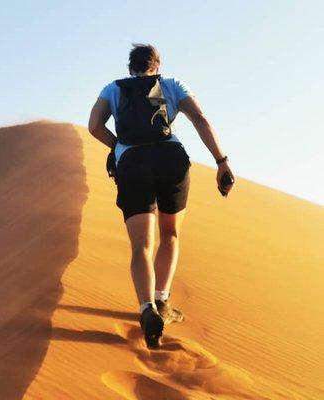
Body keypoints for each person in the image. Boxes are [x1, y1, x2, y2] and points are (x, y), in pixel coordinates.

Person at [88, 43, 235, 348]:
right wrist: (221, 162)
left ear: (131, 68)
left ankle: (146, 309)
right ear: (157, 65)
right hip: (171, 159)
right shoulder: (171, 85)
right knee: (170, 235)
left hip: (133, 164)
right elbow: (201, 120)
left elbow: (94, 126)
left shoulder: (113, 89)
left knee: (141, 244)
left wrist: (117, 147)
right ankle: (162, 301)